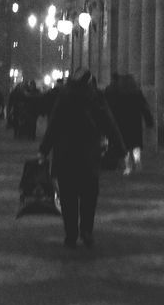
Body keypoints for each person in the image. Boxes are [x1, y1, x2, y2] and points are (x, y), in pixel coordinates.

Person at [39, 67, 126, 249]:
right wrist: (120, 147)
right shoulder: (95, 97)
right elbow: (109, 123)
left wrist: (44, 150)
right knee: (89, 196)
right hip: (88, 155)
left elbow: (54, 126)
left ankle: (71, 234)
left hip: (65, 155)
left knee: (68, 197)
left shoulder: (64, 97)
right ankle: (86, 230)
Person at [104, 73, 154, 174]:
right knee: (135, 144)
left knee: (125, 146)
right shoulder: (136, 93)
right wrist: (149, 121)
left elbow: (113, 108)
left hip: (122, 123)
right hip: (135, 123)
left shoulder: (119, 94)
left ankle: (128, 166)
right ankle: (137, 162)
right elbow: (144, 107)